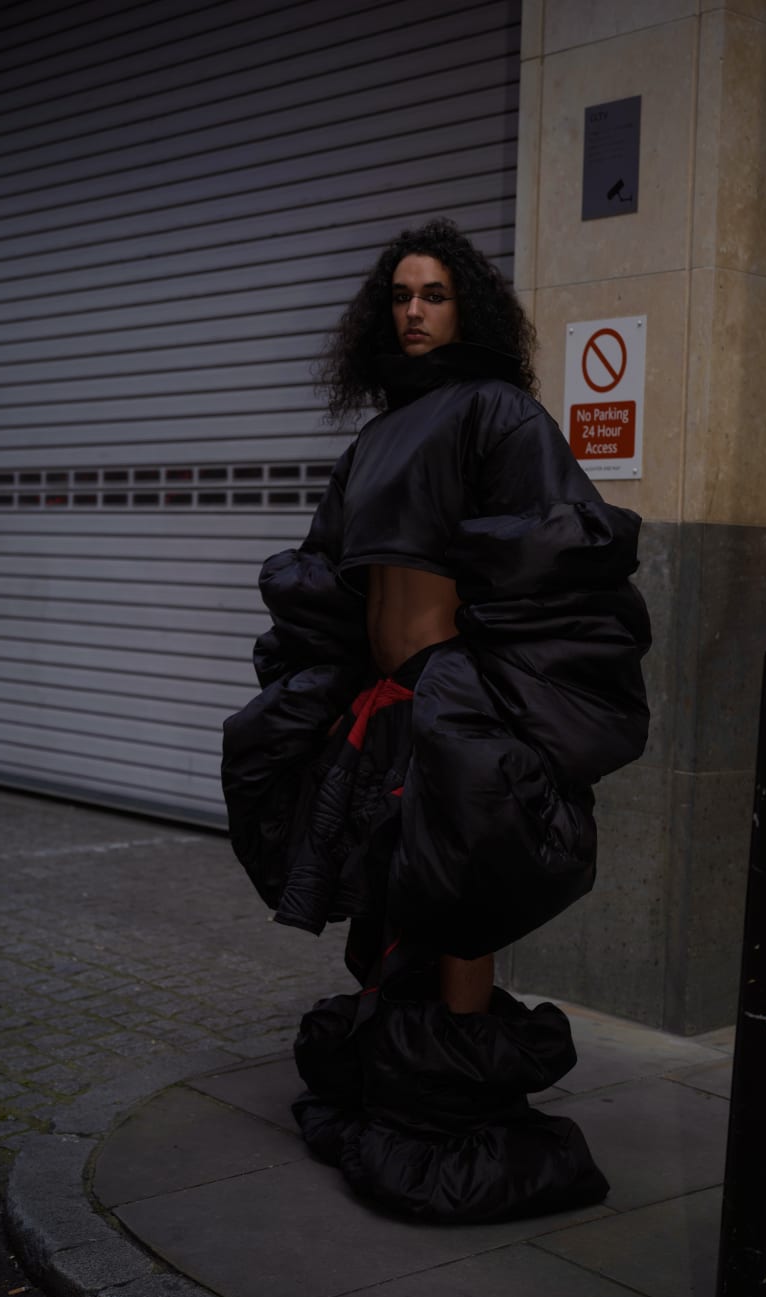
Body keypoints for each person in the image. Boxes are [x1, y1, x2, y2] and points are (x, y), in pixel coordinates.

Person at [222, 218, 651, 1223]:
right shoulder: (374, 439)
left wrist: (478, 673)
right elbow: (331, 565)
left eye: (434, 295)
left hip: (454, 704)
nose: (413, 312)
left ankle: (458, 1110)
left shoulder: (498, 414)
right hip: (379, 703)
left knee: (461, 899)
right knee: (389, 890)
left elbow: (556, 554)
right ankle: (400, 1066)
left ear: (470, 309)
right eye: (401, 296)